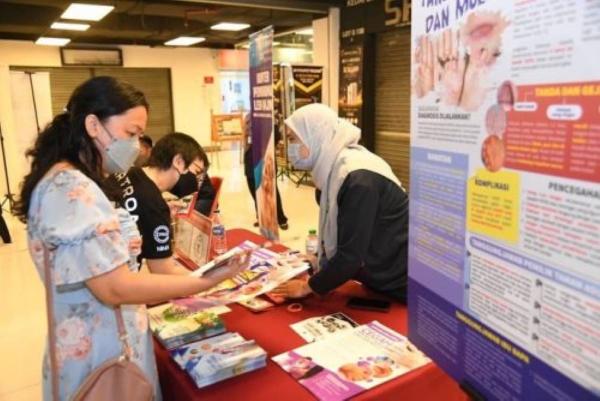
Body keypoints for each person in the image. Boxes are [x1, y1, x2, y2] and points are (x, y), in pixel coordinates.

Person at [14, 76, 249, 401]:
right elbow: (114, 287)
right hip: (103, 361)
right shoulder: (71, 188)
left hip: (110, 346)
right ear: (93, 125)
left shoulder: (78, 178)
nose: (137, 147)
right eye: (131, 133)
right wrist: (203, 282)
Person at [271, 103, 409, 302]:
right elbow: (342, 232)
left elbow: (351, 255)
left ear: (315, 136)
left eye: (293, 139)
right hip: (373, 276)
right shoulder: (331, 171)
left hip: (397, 282)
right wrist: (318, 257)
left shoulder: (357, 179)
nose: (287, 147)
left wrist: (307, 287)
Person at [108, 132, 211, 274]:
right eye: (197, 171)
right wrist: (211, 277)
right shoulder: (154, 206)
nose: (197, 181)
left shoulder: (127, 172)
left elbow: (137, 209)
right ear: (178, 162)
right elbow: (164, 271)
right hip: (116, 280)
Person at [243, 113, 289, 230]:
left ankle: (281, 218)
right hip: (250, 157)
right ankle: (261, 216)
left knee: (271, 190)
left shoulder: (268, 115)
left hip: (266, 157)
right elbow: (245, 137)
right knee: (254, 189)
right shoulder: (247, 117)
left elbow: (277, 137)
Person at [168, 143, 216, 217]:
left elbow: (186, 197)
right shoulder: (187, 171)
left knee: (180, 213)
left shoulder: (189, 174)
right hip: (203, 199)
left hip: (204, 200)